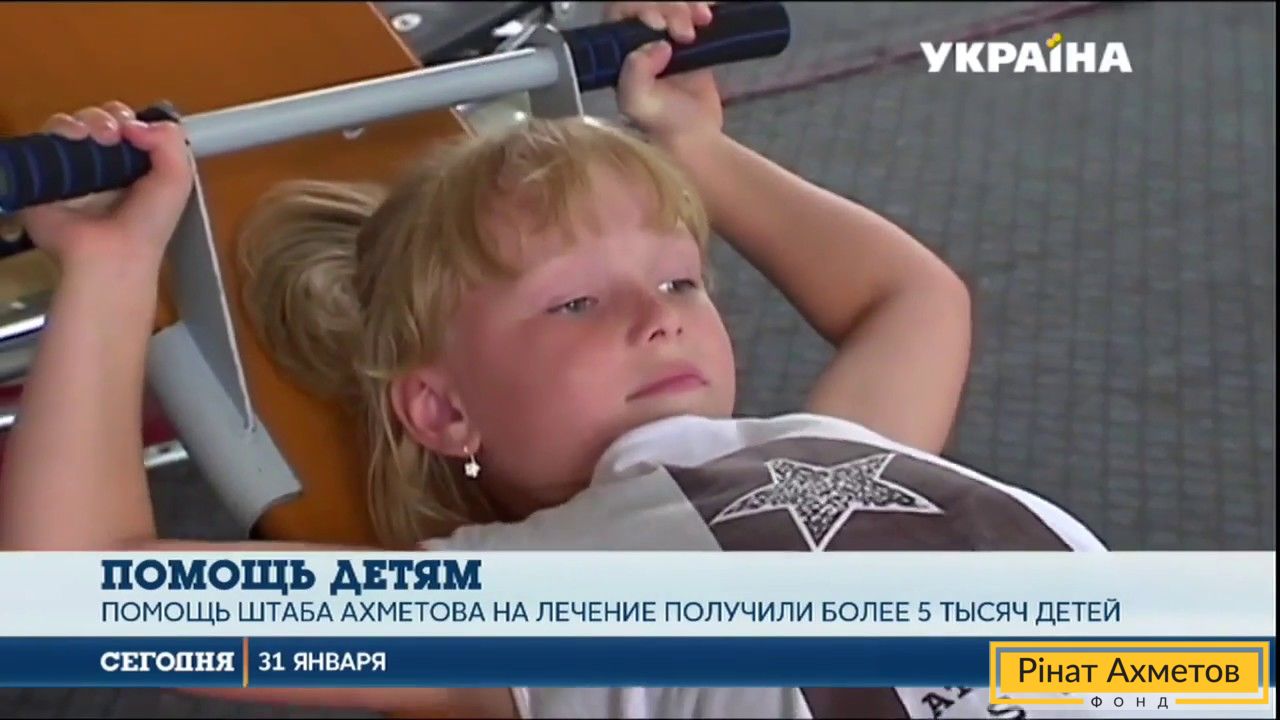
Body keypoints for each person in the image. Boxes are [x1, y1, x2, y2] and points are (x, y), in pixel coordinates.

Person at [0, 3, 1125, 718]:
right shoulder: (518, 604)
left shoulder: (822, 443)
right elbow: (81, 597)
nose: (657, 317)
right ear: (443, 410)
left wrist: (695, 146)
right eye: (577, 302)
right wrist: (111, 266)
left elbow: (910, 300)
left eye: (679, 280)